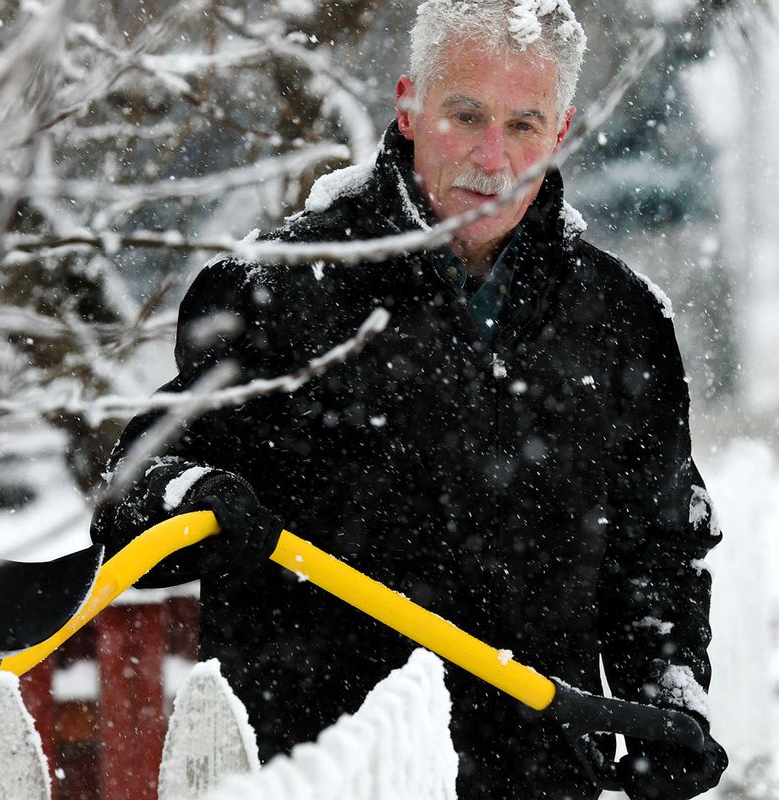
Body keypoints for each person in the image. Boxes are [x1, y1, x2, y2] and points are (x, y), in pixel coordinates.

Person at [90, 1, 727, 797]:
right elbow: (131, 506)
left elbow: (659, 549)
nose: (493, 158)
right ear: (410, 104)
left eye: (524, 126)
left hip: (536, 771)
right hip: (329, 770)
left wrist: (663, 696)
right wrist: (189, 496)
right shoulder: (277, 293)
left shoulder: (620, 320)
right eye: (466, 115)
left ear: (561, 131)